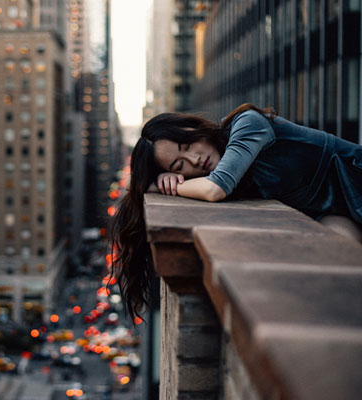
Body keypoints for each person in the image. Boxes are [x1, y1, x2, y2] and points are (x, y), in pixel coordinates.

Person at [108, 103, 362, 320]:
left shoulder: (247, 123)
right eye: (179, 165)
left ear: (193, 127)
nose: (195, 160)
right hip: (335, 211)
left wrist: (162, 186)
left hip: (356, 182)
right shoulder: (233, 173)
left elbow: (215, 189)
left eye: (187, 145)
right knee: (339, 261)